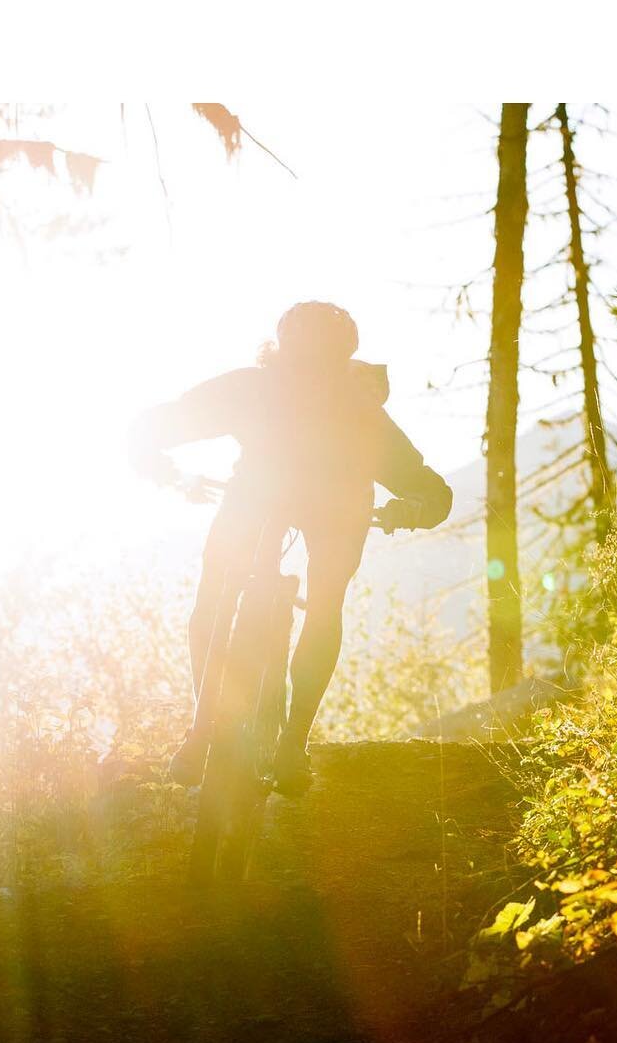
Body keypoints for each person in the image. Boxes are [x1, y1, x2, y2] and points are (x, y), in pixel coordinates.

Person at [128, 301, 453, 794]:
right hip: (328, 511)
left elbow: (159, 425)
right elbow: (428, 488)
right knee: (323, 609)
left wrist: (161, 469)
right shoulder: (358, 408)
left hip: (268, 502)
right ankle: (290, 748)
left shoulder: (254, 388)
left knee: (215, 600)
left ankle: (204, 734)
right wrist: (411, 510)